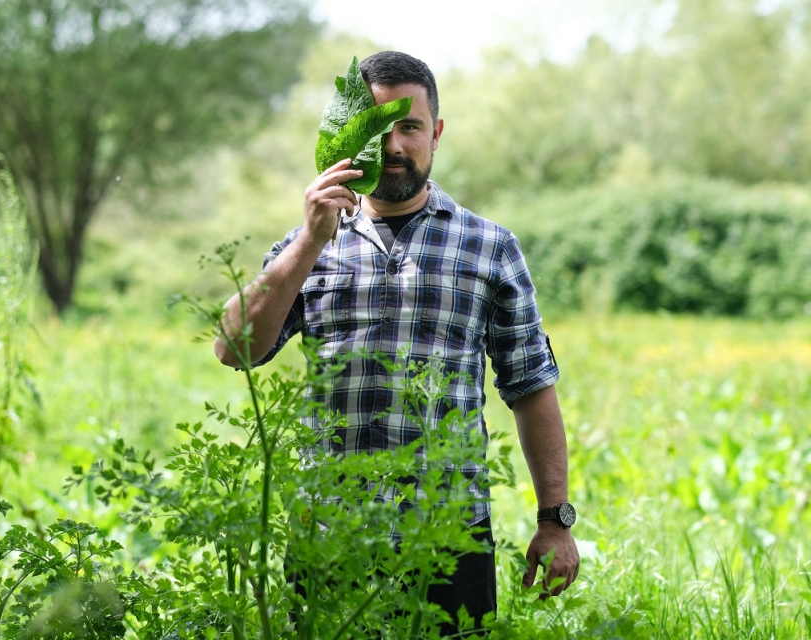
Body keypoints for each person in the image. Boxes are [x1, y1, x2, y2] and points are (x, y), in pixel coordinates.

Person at [214, 50, 579, 634]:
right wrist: (309, 240)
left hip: (448, 537)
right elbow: (234, 349)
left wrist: (554, 520)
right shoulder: (306, 243)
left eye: (409, 126)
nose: (393, 145)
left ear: (435, 133)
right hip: (329, 533)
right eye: (376, 128)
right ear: (347, 136)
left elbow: (532, 387)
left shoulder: (490, 247)